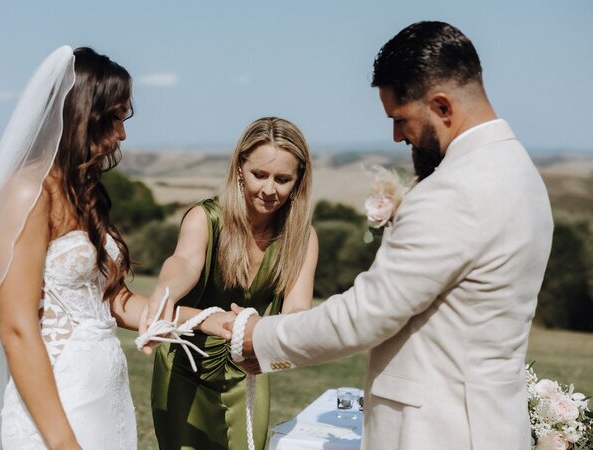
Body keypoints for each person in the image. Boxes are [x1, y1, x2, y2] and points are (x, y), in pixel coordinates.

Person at [230, 21, 554, 450]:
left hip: (438, 430)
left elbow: (367, 314)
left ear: (442, 106)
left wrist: (260, 336)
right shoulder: (520, 171)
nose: (396, 136)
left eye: (401, 120)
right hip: (493, 422)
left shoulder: (455, 191)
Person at [0, 46, 148, 449]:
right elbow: (17, 329)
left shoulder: (84, 194)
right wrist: (63, 444)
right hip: (56, 416)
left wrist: (210, 322)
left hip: (106, 405)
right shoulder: (28, 192)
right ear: (81, 114)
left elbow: (112, 300)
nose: (123, 133)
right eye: (114, 117)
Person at [139, 117, 318, 450]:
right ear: (239, 167)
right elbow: (184, 263)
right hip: (185, 371)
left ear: (298, 181)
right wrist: (165, 293)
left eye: (282, 179)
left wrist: (272, 354)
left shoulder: (303, 240)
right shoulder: (205, 218)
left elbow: (297, 314)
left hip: (248, 373)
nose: (269, 189)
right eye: (259, 175)